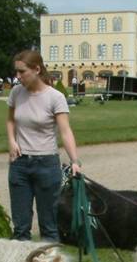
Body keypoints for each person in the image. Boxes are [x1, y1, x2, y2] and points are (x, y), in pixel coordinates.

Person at [6, 49, 82, 242]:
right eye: (16, 71)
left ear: (37, 69)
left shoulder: (55, 97)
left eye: (22, 72)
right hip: (19, 165)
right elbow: (10, 121)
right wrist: (12, 141)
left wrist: (74, 161)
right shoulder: (16, 93)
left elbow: (65, 131)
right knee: (21, 227)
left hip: (46, 165)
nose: (17, 76)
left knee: (49, 226)